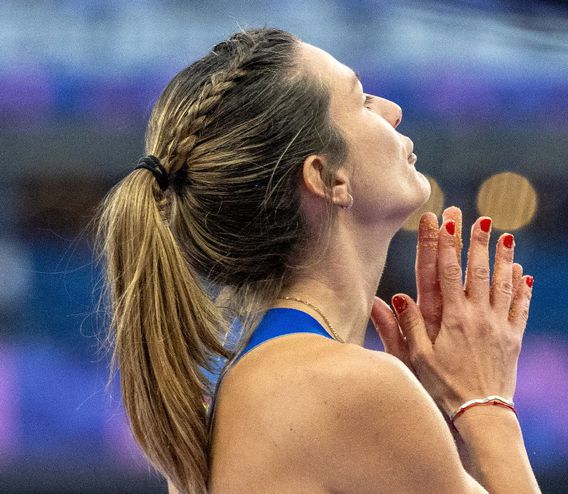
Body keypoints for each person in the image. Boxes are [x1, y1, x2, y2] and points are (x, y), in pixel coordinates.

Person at [92, 28, 539, 493]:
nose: (392, 110)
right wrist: (486, 404)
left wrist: (444, 423)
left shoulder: (267, 380)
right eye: (362, 100)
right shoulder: (342, 386)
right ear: (327, 177)